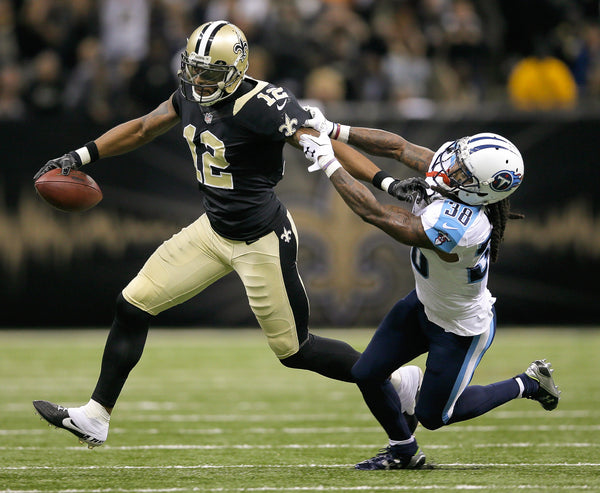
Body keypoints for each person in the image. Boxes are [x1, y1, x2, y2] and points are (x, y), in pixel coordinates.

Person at [31, 20, 424, 449]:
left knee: (297, 351)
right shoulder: (189, 92)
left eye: (209, 73)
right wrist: (80, 155)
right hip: (212, 230)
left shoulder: (266, 105)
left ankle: (396, 378)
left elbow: (327, 143)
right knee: (132, 304)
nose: (198, 80)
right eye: (193, 68)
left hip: (261, 239)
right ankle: (96, 417)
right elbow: (145, 127)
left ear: (236, 70)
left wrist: (384, 181)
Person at [299, 111, 561, 470]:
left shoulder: (464, 228)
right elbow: (399, 147)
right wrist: (333, 129)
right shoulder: (458, 177)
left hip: (459, 329)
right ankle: (403, 451)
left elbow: (376, 214)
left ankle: (528, 383)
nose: (449, 165)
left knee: (435, 415)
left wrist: (328, 161)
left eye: (462, 170)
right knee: (366, 373)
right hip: (422, 305)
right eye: (458, 159)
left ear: (480, 188)